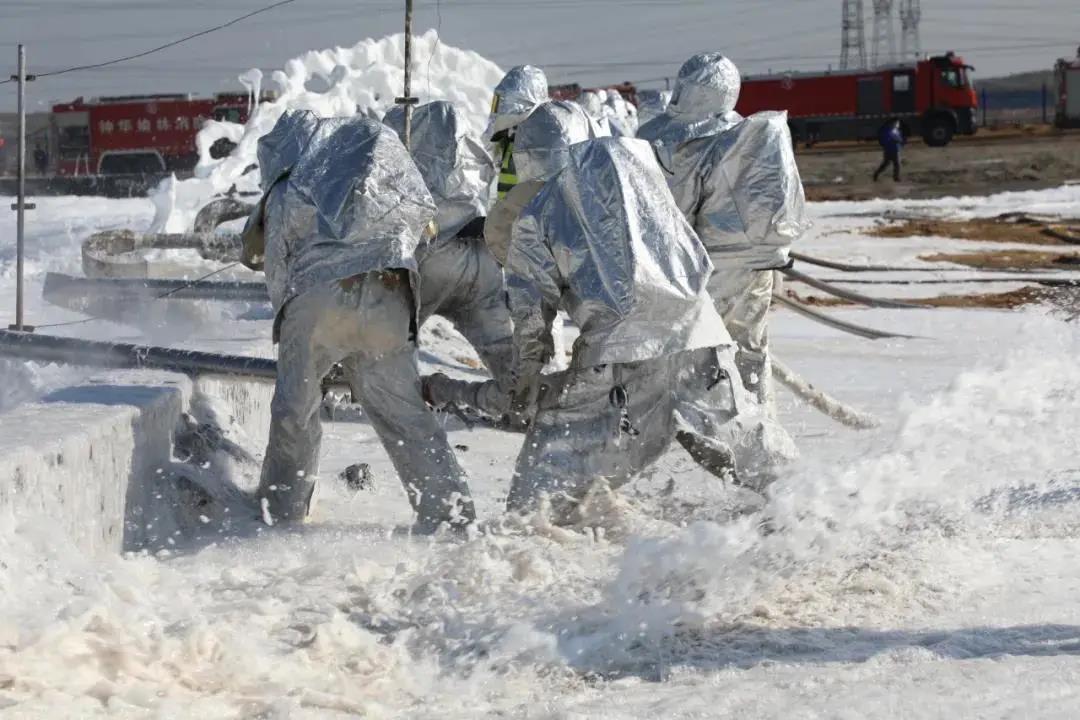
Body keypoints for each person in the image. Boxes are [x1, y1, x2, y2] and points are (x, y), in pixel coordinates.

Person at [488, 130, 766, 522]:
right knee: (744, 448)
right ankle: (818, 506)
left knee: (540, 489)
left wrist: (529, 371)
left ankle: (537, 541)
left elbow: (531, 310)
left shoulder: (537, 212)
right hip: (701, 333)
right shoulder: (637, 180)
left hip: (622, 352)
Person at [241, 110, 475, 532]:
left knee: (297, 409)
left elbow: (277, 270)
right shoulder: (372, 174)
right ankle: (451, 516)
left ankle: (282, 513)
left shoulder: (289, 183)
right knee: (404, 414)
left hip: (318, 304)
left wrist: (289, 323)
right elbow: (423, 231)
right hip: (390, 297)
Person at [638, 53, 808, 412]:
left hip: (708, 266)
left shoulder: (683, 143)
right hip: (756, 264)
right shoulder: (748, 135)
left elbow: (671, 214)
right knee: (749, 348)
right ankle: (759, 423)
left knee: (698, 348)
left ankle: (711, 423)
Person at [382, 101, 514, 415]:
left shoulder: (400, 142)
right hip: (483, 258)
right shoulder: (465, 141)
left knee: (390, 358)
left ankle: (418, 397)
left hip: (429, 258)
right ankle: (519, 401)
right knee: (510, 367)